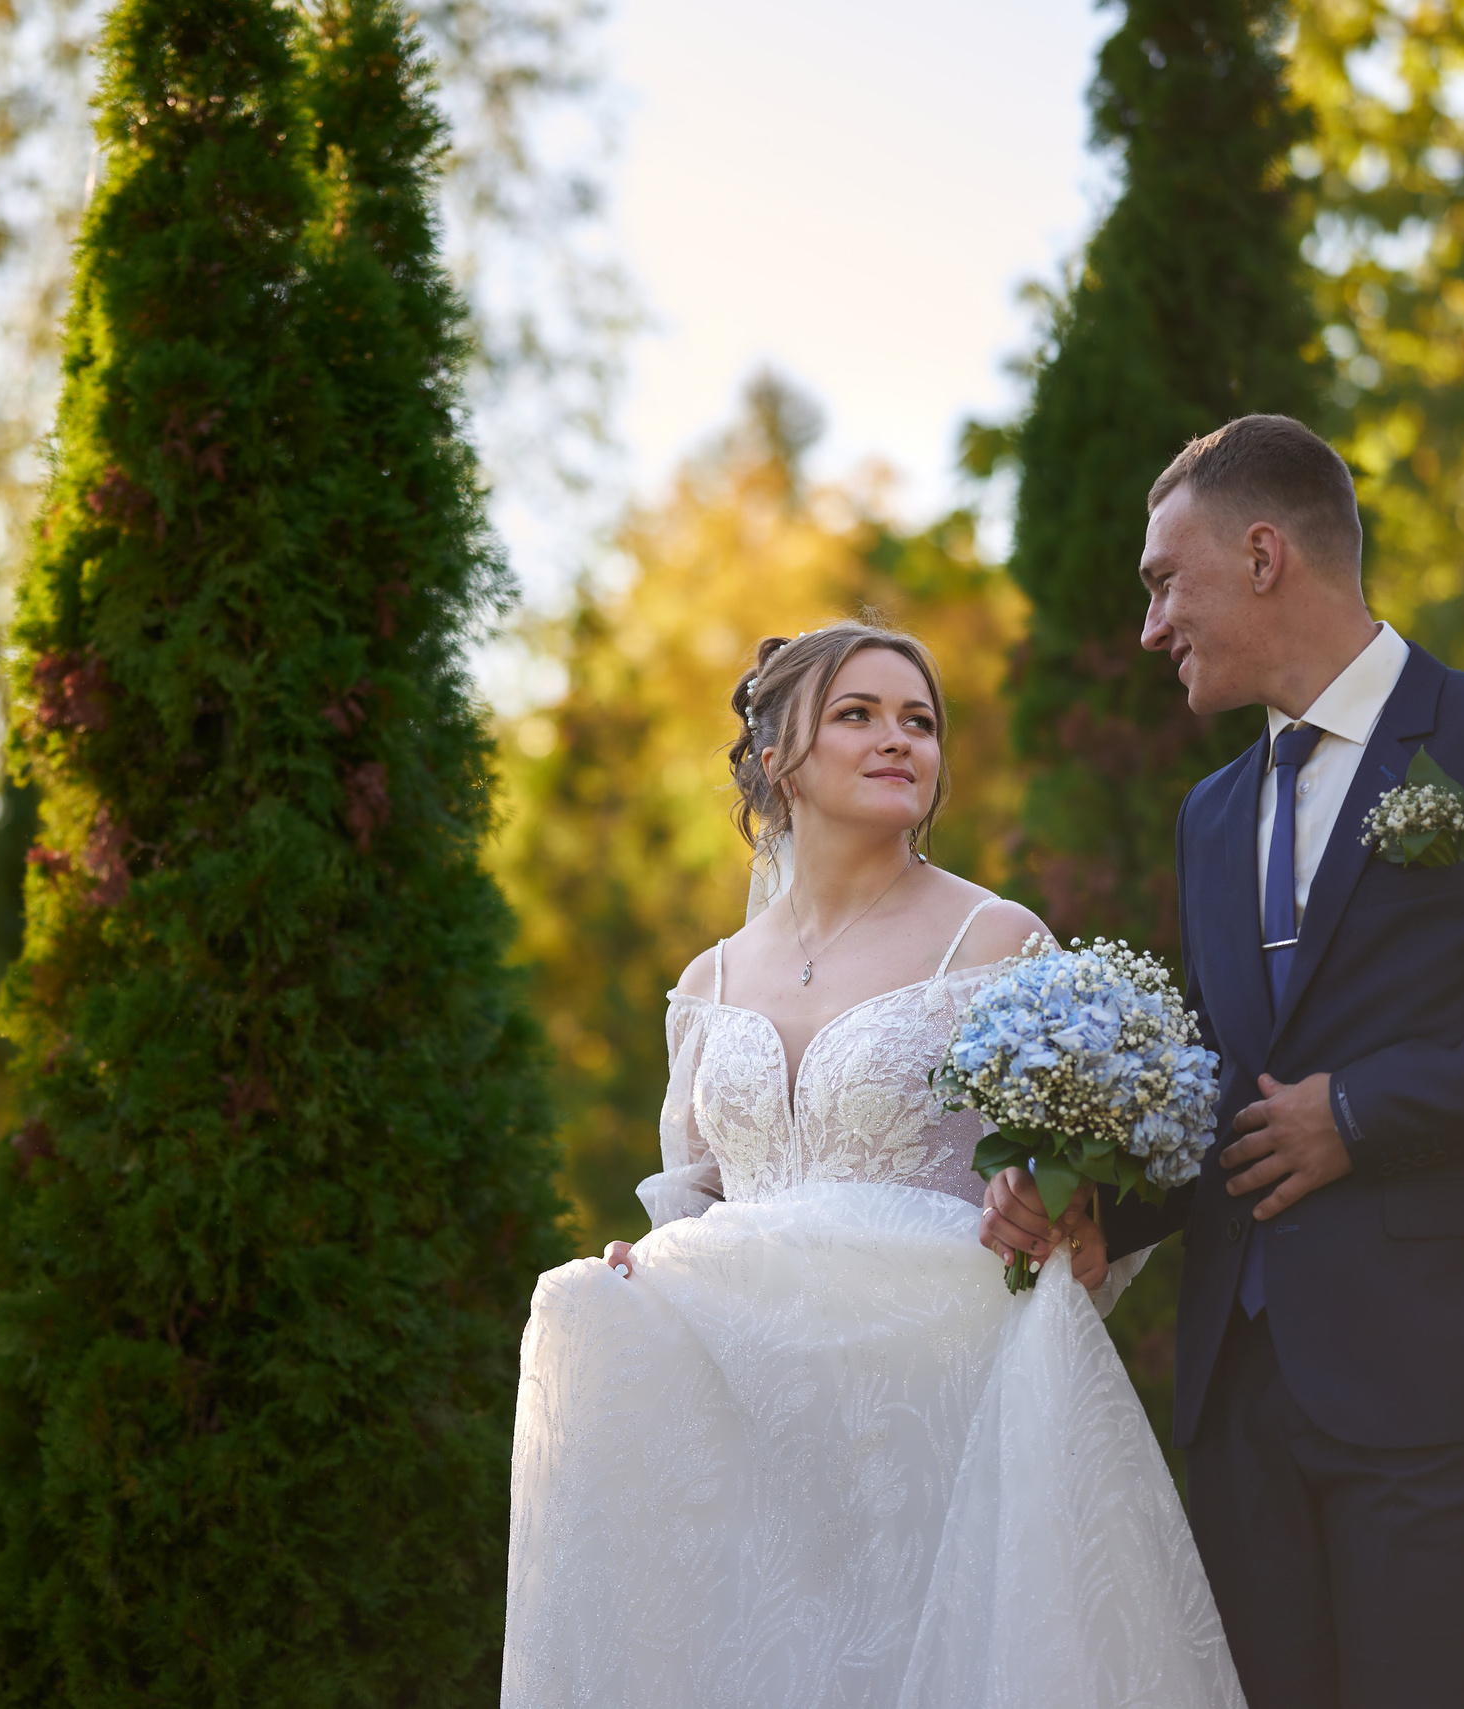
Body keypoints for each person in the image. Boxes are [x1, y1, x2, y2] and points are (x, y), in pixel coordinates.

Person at [985, 415, 1464, 1708]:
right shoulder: (1212, 814)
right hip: (1240, 1396)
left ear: (1265, 554)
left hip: (1446, 1377)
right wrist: (1099, 1197)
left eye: (1164, 580)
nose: (1151, 626)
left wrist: (1365, 1113)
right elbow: (1227, 1085)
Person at [502, 618, 1245, 1708]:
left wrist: (1053, 1195)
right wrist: (645, 1276)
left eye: (920, 721)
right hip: (751, 1440)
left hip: (934, 1423)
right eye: (857, 714)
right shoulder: (705, 981)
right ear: (774, 759)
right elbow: (702, 1199)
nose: (899, 739)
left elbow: (1085, 1196)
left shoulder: (995, 943)